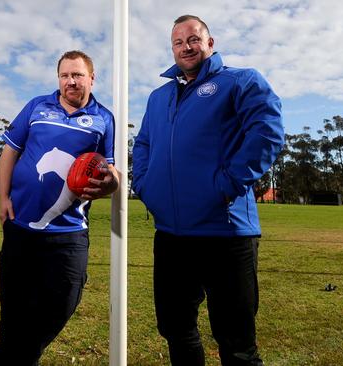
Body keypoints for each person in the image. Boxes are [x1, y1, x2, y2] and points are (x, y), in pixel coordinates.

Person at [132, 15, 284, 366]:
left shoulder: (239, 81)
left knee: (237, 343)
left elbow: (268, 132)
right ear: (172, 49)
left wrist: (227, 184)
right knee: (175, 328)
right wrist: (144, 185)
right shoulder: (159, 97)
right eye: (178, 42)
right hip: (171, 235)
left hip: (225, 233)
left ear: (210, 43)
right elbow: (143, 144)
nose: (186, 47)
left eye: (193, 39)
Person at [0, 50, 119, 366]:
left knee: (63, 301)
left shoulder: (104, 119)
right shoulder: (37, 106)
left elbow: (113, 174)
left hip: (69, 232)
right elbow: (9, 153)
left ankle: (3, 360)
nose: (70, 81)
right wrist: (3, 198)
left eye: (78, 75)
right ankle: (14, 359)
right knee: (14, 308)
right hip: (20, 226)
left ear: (92, 78)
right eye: (65, 75)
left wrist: (108, 184)